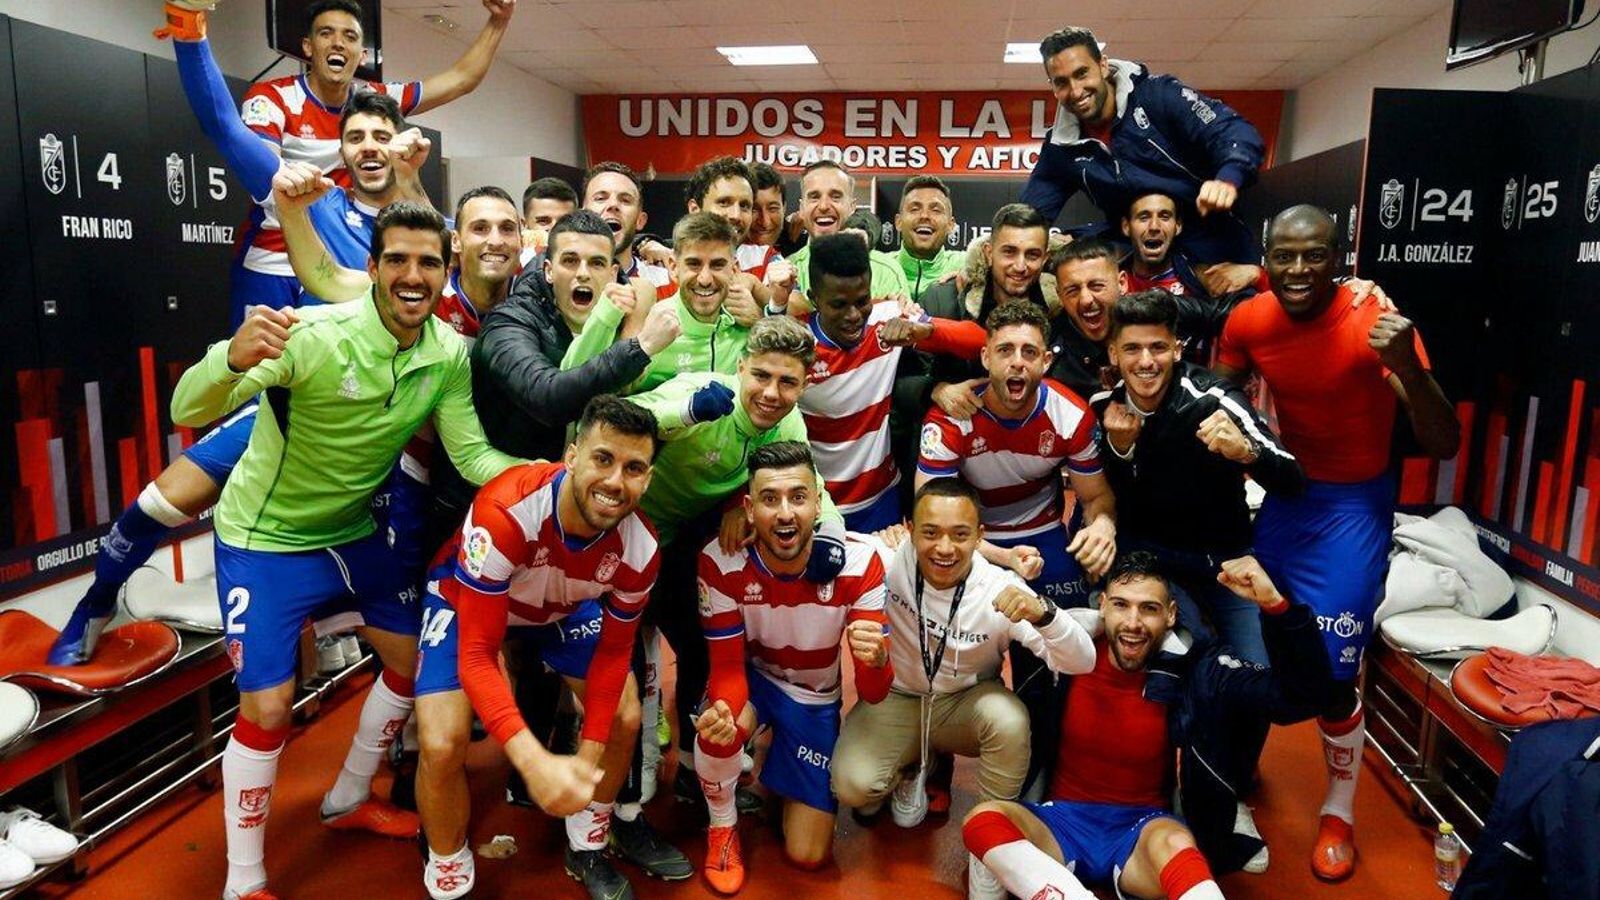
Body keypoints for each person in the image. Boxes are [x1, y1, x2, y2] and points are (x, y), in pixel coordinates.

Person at [167, 202, 525, 900]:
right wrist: (227, 358)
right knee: (268, 708)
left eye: (428, 262)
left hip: (355, 534)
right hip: (264, 541)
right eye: (397, 260)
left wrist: (553, 475)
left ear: (444, 270)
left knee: (412, 666)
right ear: (371, 268)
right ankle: (244, 880)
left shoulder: (446, 353)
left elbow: (472, 454)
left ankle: (348, 796)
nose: (413, 276)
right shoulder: (311, 335)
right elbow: (185, 408)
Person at [47, 29, 431, 665]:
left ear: (400, 145)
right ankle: (94, 602)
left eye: (380, 137)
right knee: (159, 503)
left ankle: (367, 686)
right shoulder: (308, 200)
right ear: (342, 147)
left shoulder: (429, 227)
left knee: (387, 588)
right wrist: (191, 29)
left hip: (378, 421)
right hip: (295, 404)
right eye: (355, 136)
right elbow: (225, 127)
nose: (369, 148)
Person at [1214, 204, 1461, 881]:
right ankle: (1234, 775)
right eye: (1284, 256)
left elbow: (1443, 442)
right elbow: (1220, 397)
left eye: (1314, 255)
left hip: (1354, 508)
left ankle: (1339, 811)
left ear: (1340, 256)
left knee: (1329, 677)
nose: (1298, 270)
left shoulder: (1370, 320)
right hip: (1286, 497)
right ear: (1268, 257)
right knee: (1254, 648)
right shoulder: (1249, 320)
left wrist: (1407, 367)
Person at [960, 552, 1339, 900]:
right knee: (984, 820)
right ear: (1102, 606)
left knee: (1178, 845)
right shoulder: (1058, 653)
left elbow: (1303, 697)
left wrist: (1277, 607)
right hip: (1060, 821)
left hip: (1142, 831)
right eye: (1121, 606)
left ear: (1171, 615)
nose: (1133, 623)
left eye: (1149, 609)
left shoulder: (1200, 669)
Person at [412, 396, 668, 900]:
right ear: (571, 456)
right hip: (473, 599)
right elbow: (478, 656)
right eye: (602, 459)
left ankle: (587, 839)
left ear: (649, 478)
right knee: (442, 741)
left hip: (562, 607)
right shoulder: (506, 511)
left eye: (633, 468)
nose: (615, 482)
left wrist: (582, 765)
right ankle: (447, 861)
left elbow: (616, 656)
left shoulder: (642, 548)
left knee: (624, 714)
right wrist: (535, 762)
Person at [158, 0, 515, 312]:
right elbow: (242, 148)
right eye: (326, 33)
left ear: (362, 55)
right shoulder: (274, 97)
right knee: (264, 374)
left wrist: (498, 21)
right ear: (307, 46)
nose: (337, 43)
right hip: (275, 255)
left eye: (349, 36)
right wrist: (188, 25)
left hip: (346, 246)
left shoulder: (376, 99)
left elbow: (461, 78)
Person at [626, 318, 851, 804]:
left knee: (702, 651)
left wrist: (831, 536)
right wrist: (686, 413)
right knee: (624, 671)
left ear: (804, 384)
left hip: (684, 540)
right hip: (628, 537)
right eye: (762, 376)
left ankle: (691, 768)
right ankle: (623, 803)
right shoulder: (702, 390)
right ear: (740, 367)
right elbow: (615, 421)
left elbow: (813, 485)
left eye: (787, 381)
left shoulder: (788, 421)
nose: (771, 392)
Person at [915, 300, 1116, 799]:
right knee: (953, 663)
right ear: (984, 358)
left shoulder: (1070, 414)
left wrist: (1103, 526)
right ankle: (930, 763)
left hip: (1044, 534)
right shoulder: (951, 417)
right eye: (1005, 350)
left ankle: (1044, 769)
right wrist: (1004, 562)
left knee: (1053, 661)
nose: (1017, 362)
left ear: (1046, 360)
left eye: (1029, 352)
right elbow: (933, 517)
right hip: (967, 542)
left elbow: (1095, 498)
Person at [830, 478, 1095, 844]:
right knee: (852, 787)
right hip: (898, 697)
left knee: (1010, 721)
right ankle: (914, 767)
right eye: (930, 532)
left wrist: (1045, 614)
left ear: (978, 536)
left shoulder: (999, 587)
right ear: (908, 529)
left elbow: (1082, 661)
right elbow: (816, 534)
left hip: (964, 704)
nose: (944, 548)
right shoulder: (884, 558)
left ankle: (991, 832)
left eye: (959, 535)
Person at [693, 441, 894, 892]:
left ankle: (781, 766)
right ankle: (722, 826)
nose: (785, 513)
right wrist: (726, 713)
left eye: (798, 497)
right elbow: (726, 669)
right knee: (717, 726)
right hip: (753, 681)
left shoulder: (860, 562)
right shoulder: (719, 561)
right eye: (769, 499)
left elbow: (876, 693)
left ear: (817, 503)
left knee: (808, 856)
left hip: (816, 698)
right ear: (748, 508)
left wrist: (879, 661)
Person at [1090, 289, 1303, 665]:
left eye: (1157, 347)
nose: (1145, 362)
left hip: (1224, 561)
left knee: (1256, 675)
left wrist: (1246, 452)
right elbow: (1111, 494)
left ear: (1177, 349)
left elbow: (1293, 479)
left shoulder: (1213, 399)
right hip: (1150, 562)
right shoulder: (1104, 409)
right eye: (1132, 349)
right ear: (1113, 354)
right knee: (1171, 660)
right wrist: (1121, 449)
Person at [1020, 25, 1265, 276]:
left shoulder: (1159, 95)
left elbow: (1232, 131)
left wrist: (1227, 179)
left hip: (1212, 246)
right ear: (1052, 87)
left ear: (1103, 65)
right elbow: (1027, 217)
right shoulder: (1061, 146)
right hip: (1139, 253)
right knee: (1065, 247)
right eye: (1062, 82)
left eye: (1082, 74)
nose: (1075, 91)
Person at [796, 234, 985, 532]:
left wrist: (925, 331)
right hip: (816, 506)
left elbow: (980, 341)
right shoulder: (796, 344)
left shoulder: (888, 320)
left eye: (862, 301)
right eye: (839, 305)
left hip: (882, 501)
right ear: (814, 298)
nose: (854, 315)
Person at [472, 211, 682, 465]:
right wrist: (640, 349)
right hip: (498, 487)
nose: (583, 273)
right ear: (549, 270)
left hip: (586, 486)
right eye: (570, 261)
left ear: (613, 272)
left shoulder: (632, 312)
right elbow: (547, 398)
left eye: (596, 263)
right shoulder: (509, 323)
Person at [563, 212, 756, 393]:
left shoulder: (747, 330)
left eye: (717, 265)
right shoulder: (648, 326)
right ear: (673, 267)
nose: (705, 279)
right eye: (694, 264)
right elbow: (572, 388)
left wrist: (761, 319)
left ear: (734, 270)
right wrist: (604, 319)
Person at [916, 204, 1065, 420]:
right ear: (988, 253)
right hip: (955, 445)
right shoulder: (944, 300)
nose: (1020, 266)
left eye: (1032, 255)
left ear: (1045, 258)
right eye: (1009, 252)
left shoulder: (1060, 309)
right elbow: (900, 377)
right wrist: (937, 390)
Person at [782, 161, 909, 300]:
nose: (824, 206)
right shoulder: (787, 271)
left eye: (835, 196)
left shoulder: (887, 271)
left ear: (852, 207)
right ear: (802, 208)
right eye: (814, 197)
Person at [893, 175, 964, 299]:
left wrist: (975, 281)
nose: (924, 215)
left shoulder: (968, 265)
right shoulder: (877, 269)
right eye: (915, 209)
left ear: (950, 225)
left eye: (936, 210)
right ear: (898, 222)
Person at [521, 176, 579, 264]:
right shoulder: (510, 270)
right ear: (524, 225)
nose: (554, 229)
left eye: (564, 221)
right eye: (543, 221)